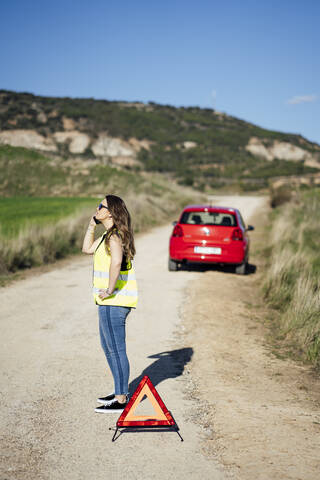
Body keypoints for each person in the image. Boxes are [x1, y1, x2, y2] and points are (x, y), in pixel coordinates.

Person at [82, 194, 138, 413]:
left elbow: (116, 262)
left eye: (100, 206)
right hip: (109, 302)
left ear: (111, 211)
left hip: (115, 301)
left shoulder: (114, 236)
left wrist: (110, 289)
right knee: (109, 348)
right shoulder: (108, 234)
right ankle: (119, 392)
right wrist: (90, 225)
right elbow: (86, 249)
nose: (97, 208)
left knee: (116, 349)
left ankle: (121, 399)